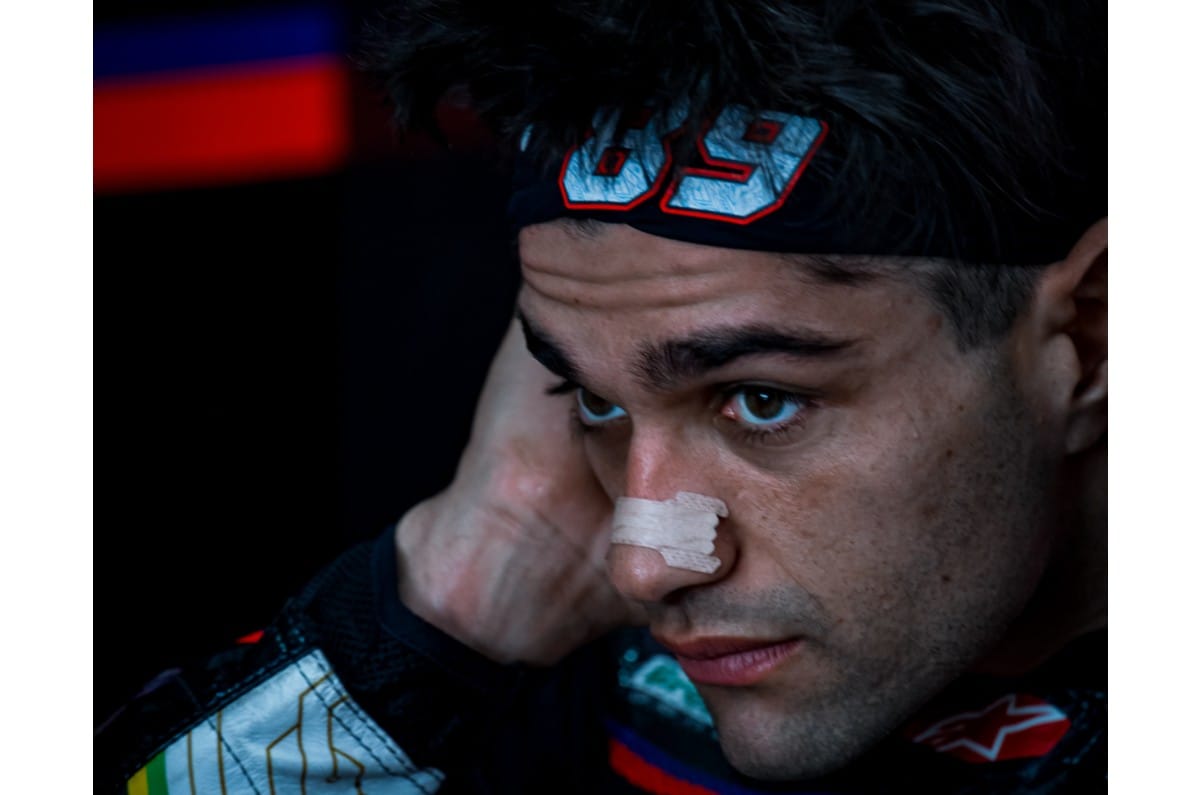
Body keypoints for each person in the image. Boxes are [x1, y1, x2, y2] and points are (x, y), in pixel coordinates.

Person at [96, 0, 1106, 792]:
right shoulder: (538, 693)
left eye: (760, 400)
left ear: (1095, 339)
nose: (641, 560)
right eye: (593, 401)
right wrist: (465, 584)